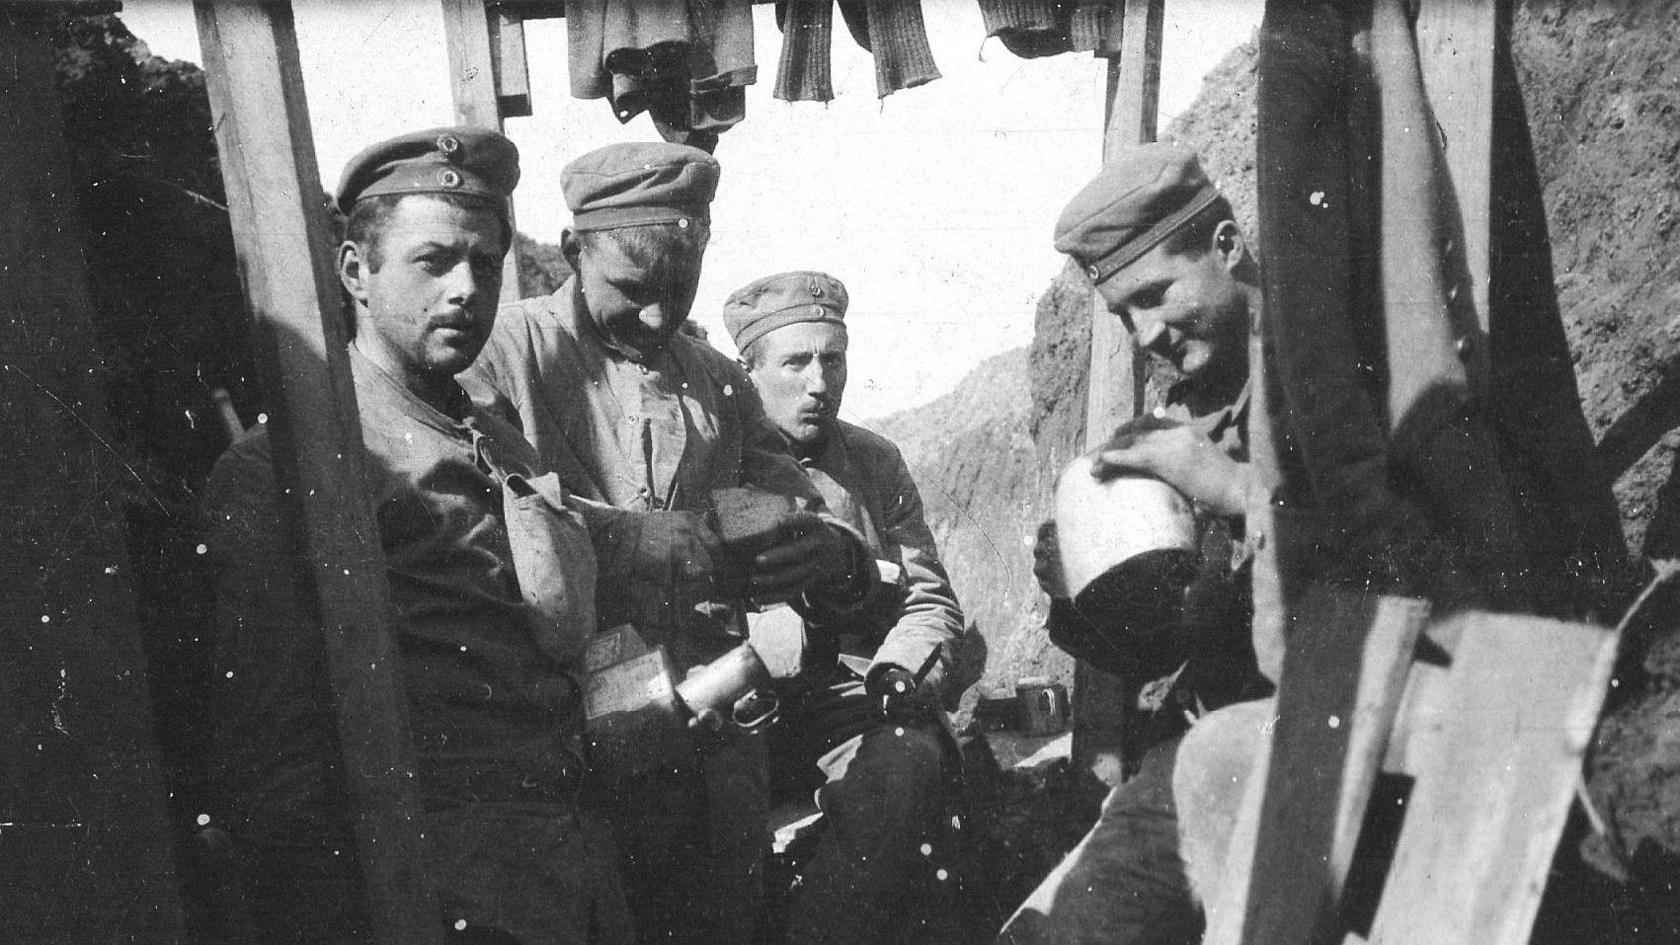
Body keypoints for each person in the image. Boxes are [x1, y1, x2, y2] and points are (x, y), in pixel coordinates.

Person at [203, 128, 639, 944]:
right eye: (433, 260)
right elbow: (278, 775)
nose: (467, 287)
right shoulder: (291, 464)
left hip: (570, 872)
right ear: (355, 274)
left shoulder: (499, 439)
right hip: (439, 893)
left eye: (485, 262)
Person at [462, 143, 874, 945]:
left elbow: (792, 496)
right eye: (632, 288)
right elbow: (477, 499)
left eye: (679, 288)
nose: (658, 315)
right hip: (568, 753)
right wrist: (630, 537)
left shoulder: (720, 381)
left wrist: (816, 546)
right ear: (575, 250)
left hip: (713, 744)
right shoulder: (507, 353)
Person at [995, 144, 1274, 945]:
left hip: (1326, 729)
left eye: (1155, 294)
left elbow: (1396, 554)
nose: (1145, 332)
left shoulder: (1325, 373)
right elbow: (1171, 644)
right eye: (1124, 313)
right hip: (1205, 748)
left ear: (1226, 246)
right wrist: (1084, 592)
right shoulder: (1184, 420)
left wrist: (1227, 487)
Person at [723, 271, 968, 945]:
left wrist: (899, 672)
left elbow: (929, 597)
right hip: (741, 711)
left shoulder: (875, 462)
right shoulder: (713, 461)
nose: (819, 381)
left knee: (908, 763)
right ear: (748, 372)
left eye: (833, 359)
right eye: (796, 361)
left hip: (851, 704)